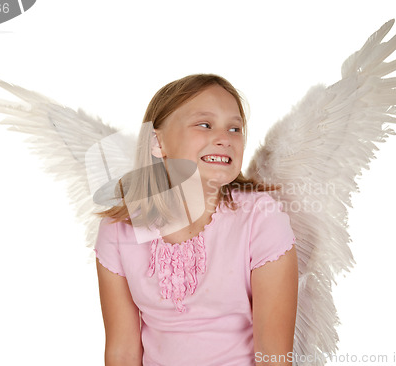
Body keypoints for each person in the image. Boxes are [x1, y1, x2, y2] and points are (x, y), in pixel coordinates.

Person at [94, 74, 299, 366]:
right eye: (205, 124)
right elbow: (122, 351)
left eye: (235, 128)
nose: (225, 138)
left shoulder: (260, 219)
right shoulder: (119, 229)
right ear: (158, 142)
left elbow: (274, 356)